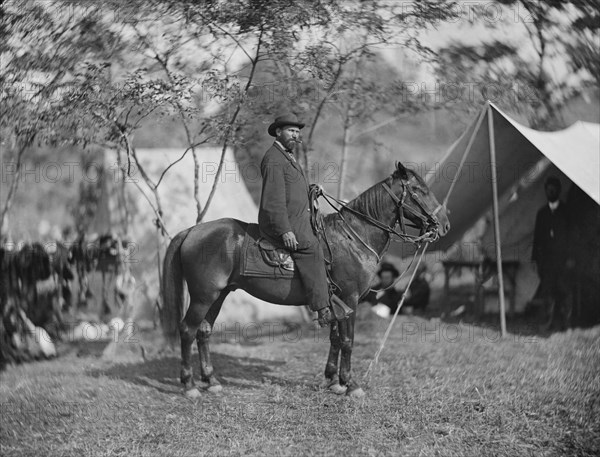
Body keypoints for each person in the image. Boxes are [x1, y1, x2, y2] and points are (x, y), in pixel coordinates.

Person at [258, 113, 350, 326]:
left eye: (297, 131)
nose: (295, 135)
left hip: (298, 216)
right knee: (310, 246)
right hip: (282, 221)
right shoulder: (273, 159)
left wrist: (311, 191)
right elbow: (273, 201)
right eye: (291, 130)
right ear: (278, 132)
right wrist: (284, 230)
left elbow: (291, 190)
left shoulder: (287, 156)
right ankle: (322, 308)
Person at [532, 176, 570, 330]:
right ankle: (547, 322)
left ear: (559, 191)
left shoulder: (566, 212)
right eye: (548, 189)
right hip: (546, 261)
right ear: (546, 191)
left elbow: (571, 236)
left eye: (553, 189)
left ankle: (566, 323)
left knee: (564, 291)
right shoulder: (541, 214)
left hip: (563, 259)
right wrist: (535, 260)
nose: (551, 191)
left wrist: (570, 258)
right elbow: (537, 238)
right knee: (548, 293)